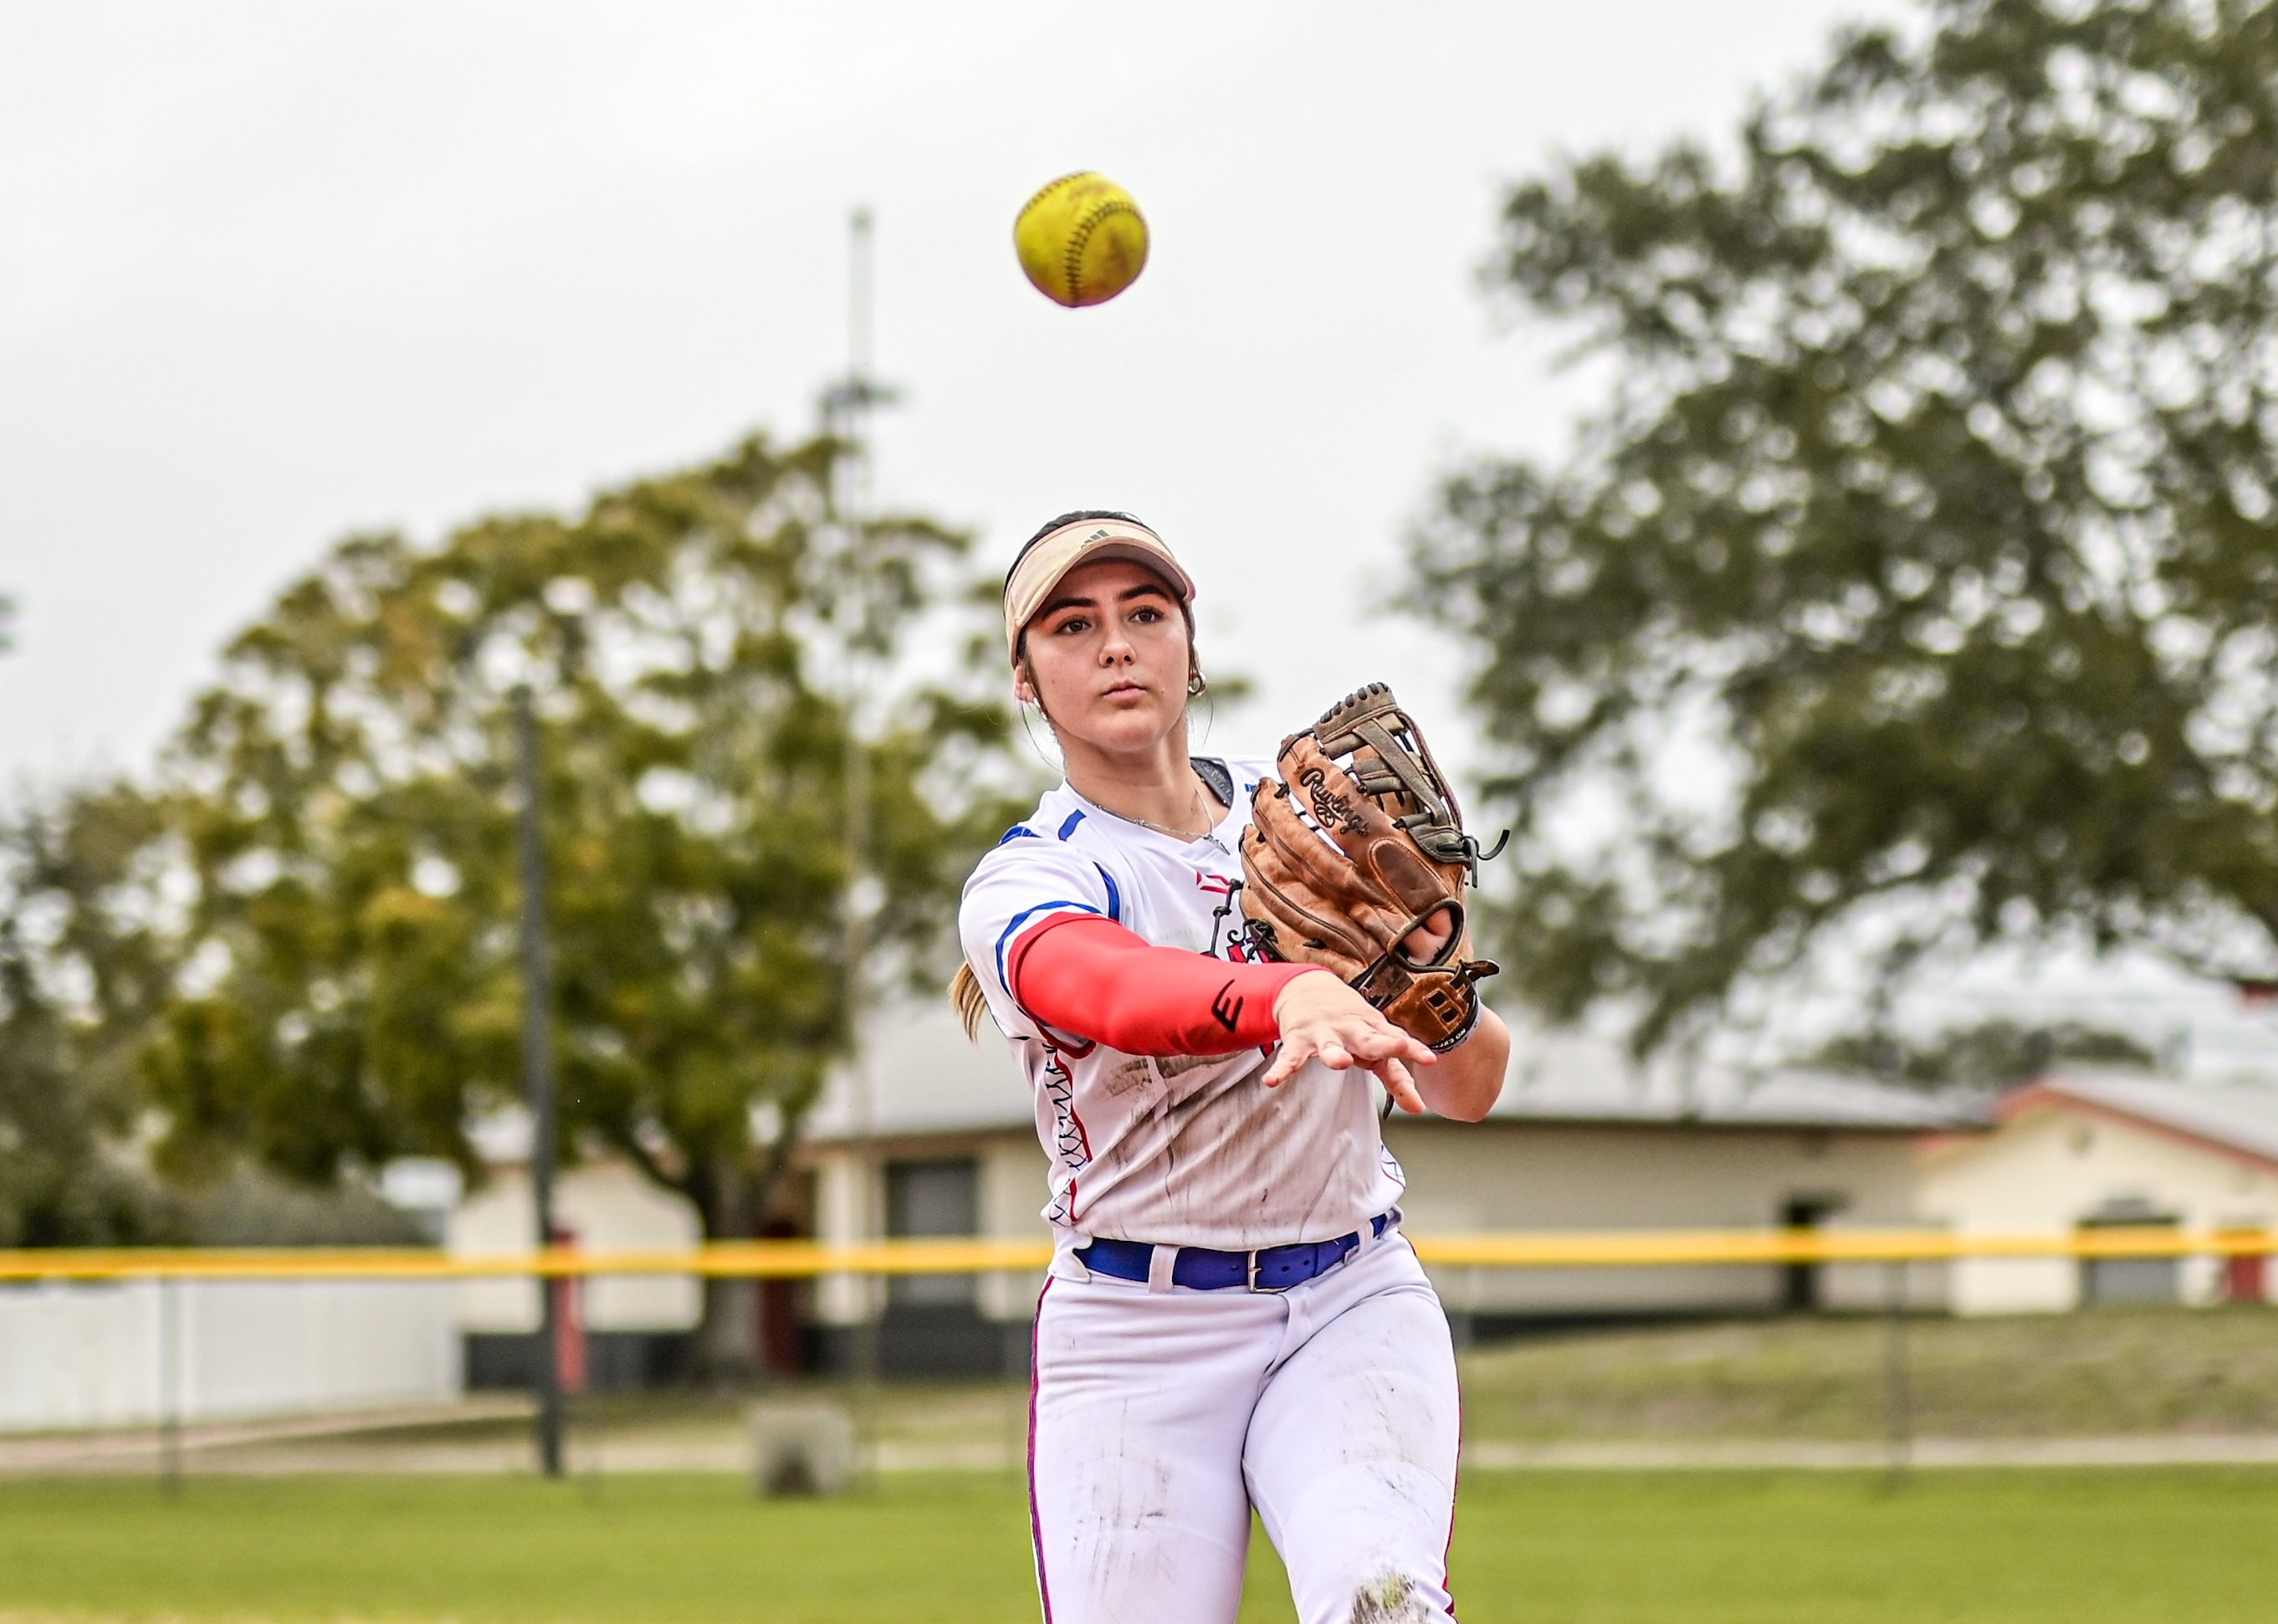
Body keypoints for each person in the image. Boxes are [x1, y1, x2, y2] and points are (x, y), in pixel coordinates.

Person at [952, 511, 1510, 1624]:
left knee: (1383, 1605)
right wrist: (1286, 990)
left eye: (1145, 614)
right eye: (1074, 624)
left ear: (1189, 651)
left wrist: (1429, 972)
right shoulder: (1035, 877)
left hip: (1349, 1296)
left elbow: (1471, 1086)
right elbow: (1104, 986)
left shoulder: (1306, 820)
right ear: (1028, 678)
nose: (1117, 644)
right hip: (1134, 1332)